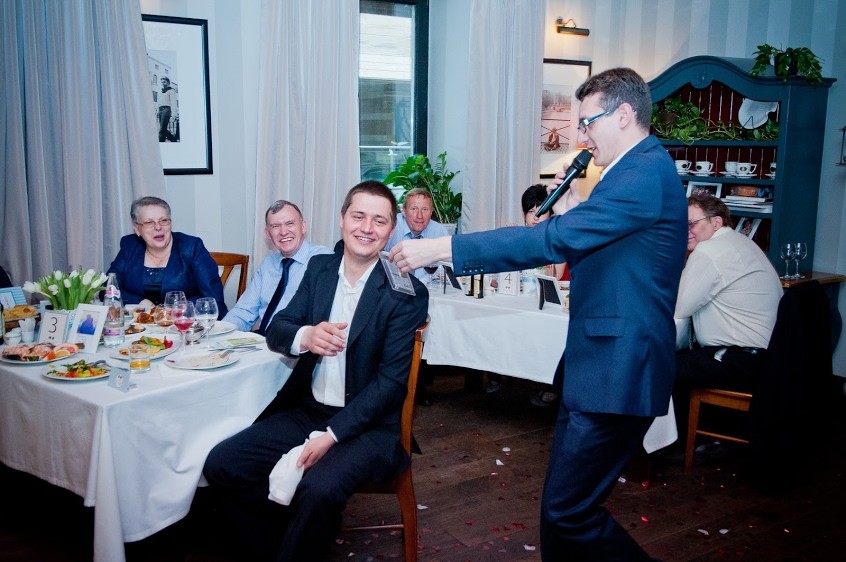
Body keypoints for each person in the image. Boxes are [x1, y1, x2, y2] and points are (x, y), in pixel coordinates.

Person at [390, 67, 687, 560]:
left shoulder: (642, 174)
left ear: (624, 115)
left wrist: (445, 248)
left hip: (620, 368)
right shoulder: (631, 172)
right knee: (563, 510)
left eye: (588, 122)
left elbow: (554, 240)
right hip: (598, 363)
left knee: (569, 512)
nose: (582, 136)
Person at [203, 180, 429, 561]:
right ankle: (277, 543)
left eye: (379, 221)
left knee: (318, 490)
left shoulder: (405, 292)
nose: (367, 228)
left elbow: (390, 385)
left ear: (391, 230)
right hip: (308, 411)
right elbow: (278, 328)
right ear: (342, 219)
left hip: (367, 427)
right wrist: (306, 335)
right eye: (358, 216)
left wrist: (332, 435)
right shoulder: (319, 269)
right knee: (222, 465)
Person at [671, 194, 782, 461]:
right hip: (769, 360)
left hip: (740, 360)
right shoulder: (744, 243)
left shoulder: (709, 252)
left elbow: (679, 309)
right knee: (684, 357)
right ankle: (711, 435)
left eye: (692, 224)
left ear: (717, 222)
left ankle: (679, 445)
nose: (686, 231)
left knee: (660, 366)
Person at [107, 196, 227, 318]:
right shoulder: (129, 245)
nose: (158, 227)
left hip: (185, 323)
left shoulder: (192, 247)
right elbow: (108, 288)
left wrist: (175, 309)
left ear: (171, 224)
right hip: (141, 325)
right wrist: (139, 302)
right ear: (137, 229)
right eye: (149, 222)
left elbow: (214, 301)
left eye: (163, 220)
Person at [223, 200, 330, 334]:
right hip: (261, 339)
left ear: (303, 227)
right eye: (275, 226)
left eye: (290, 223)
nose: (283, 232)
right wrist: (221, 332)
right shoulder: (268, 264)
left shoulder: (323, 259)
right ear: (268, 233)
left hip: (296, 341)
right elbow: (244, 311)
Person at [385, 187, 449, 283]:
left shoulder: (439, 231)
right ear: (403, 211)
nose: (419, 216)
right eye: (414, 209)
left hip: (428, 287)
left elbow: (447, 269)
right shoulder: (390, 226)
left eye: (425, 209)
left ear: (431, 212)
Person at [157, 77, 178, 142]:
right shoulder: (162, 91)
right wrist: (158, 110)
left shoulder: (171, 90)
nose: (162, 83)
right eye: (162, 82)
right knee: (163, 129)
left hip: (166, 110)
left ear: (168, 82)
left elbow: (173, 103)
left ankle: (161, 143)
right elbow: (159, 102)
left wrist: (174, 114)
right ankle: (173, 140)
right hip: (160, 110)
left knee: (162, 130)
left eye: (164, 82)